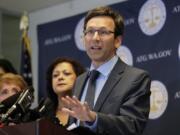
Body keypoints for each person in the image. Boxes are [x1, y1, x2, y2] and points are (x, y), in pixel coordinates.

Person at [61, 6, 151, 135]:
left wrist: (93, 118)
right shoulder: (79, 80)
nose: (95, 38)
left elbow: (133, 126)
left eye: (103, 32)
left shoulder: (136, 78)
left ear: (117, 41)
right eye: (90, 31)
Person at [46, 57, 85, 126]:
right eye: (55, 75)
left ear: (79, 78)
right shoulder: (44, 113)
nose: (60, 77)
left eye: (66, 74)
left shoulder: (87, 109)